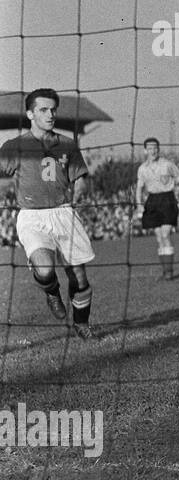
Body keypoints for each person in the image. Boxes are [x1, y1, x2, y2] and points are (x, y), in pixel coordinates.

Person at [0, 89, 97, 338]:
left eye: (53, 109)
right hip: (32, 216)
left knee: (79, 278)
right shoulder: (14, 146)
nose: (50, 114)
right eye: (43, 110)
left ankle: (82, 325)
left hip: (63, 213)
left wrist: (80, 191)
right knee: (44, 269)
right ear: (30, 113)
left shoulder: (67, 144)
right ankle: (52, 293)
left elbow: (81, 177)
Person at [135, 137, 179, 279]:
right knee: (158, 238)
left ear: (159, 149)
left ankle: (169, 272)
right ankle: (165, 271)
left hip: (168, 199)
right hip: (152, 201)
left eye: (155, 148)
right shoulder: (142, 169)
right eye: (150, 148)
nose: (153, 151)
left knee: (165, 234)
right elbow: (139, 188)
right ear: (145, 150)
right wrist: (139, 206)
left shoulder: (167, 164)